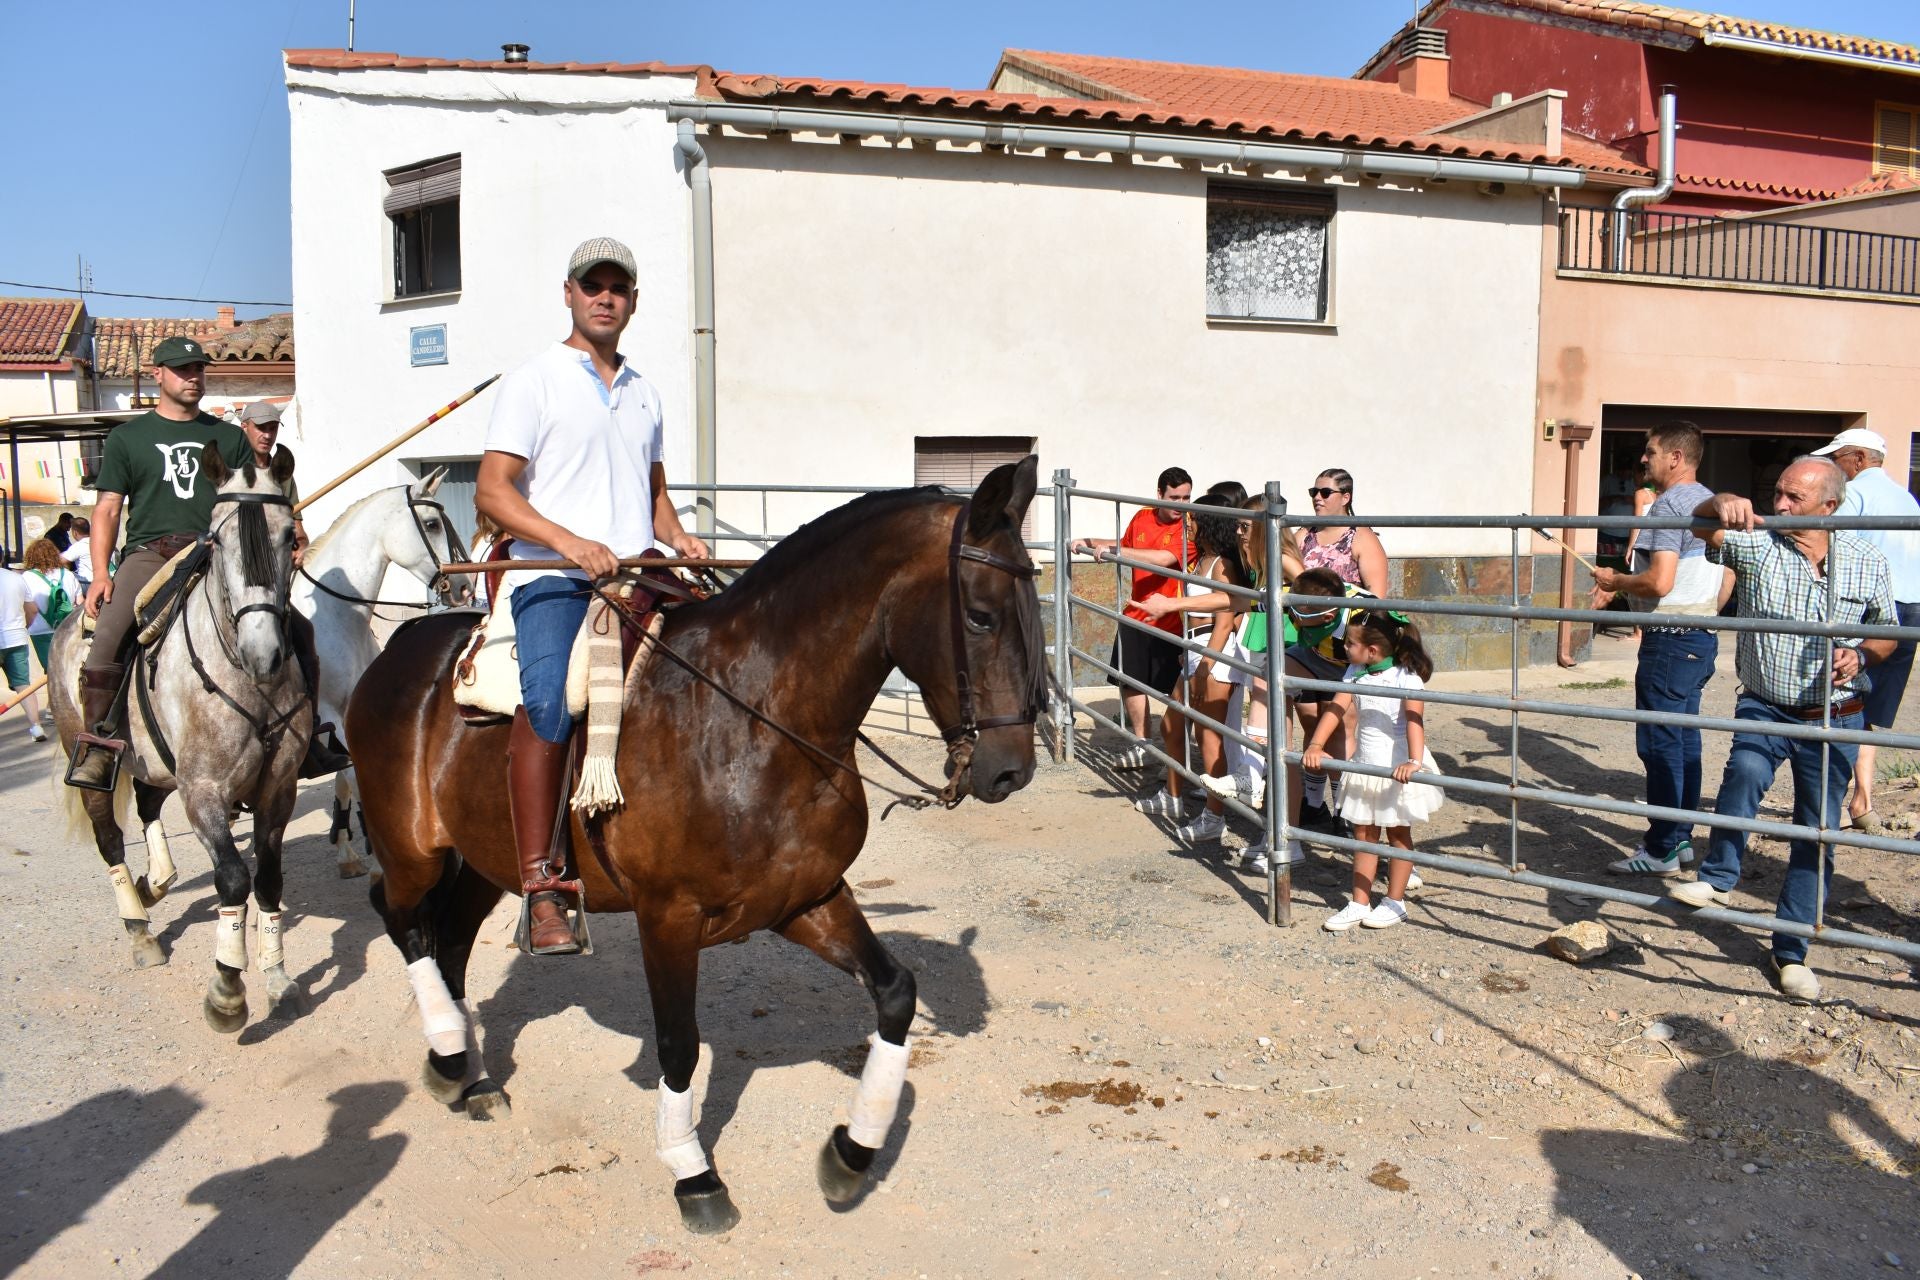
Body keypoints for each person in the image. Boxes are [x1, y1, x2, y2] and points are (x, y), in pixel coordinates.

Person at [475, 236, 710, 957]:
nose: (605, 297)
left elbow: (653, 494)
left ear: (633, 301)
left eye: (619, 288)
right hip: (556, 577)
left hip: (642, 573)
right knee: (550, 697)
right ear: (569, 294)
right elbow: (493, 490)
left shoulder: (645, 390)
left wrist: (680, 539)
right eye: (592, 285)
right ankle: (543, 884)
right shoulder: (535, 380)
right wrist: (570, 543)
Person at [68, 335, 346, 789]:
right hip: (150, 554)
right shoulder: (127, 438)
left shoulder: (229, 438)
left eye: (198, 369)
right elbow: (108, 510)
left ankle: (309, 734)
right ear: (157, 374)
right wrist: (101, 573)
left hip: (213, 551)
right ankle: (99, 745)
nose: (192, 377)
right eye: (181, 369)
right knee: (109, 635)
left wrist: (285, 530)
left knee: (298, 628)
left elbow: (254, 499)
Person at [1670, 457, 1896, 1004]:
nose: (1781, 505)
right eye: (1778, 493)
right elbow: (1698, 527)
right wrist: (1715, 501)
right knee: (1744, 772)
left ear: (1830, 508)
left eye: (1795, 498)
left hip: (1835, 716)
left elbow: (1887, 631)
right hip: (1765, 705)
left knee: (1815, 833)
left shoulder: (1866, 557)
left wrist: (1860, 653)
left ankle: (1790, 953)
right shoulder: (1758, 543)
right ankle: (1719, 878)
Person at [1590, 422, 1720, 876]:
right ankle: (1679, 838)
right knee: (1684, 740)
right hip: (1699, 635)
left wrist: (1615, 580)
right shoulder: (1706, 501)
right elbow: (1727, 574)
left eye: (1650, 452)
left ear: (1676, 458)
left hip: (1669, 639)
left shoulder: (1670, 506)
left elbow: (1659, 581)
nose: (1643, 460)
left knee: (1659, 743)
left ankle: (1662, 846)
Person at [1811, 428, 1920, 833]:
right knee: (1869, 706)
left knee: (1844, 699)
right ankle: (1863, 801)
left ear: (1857, 458)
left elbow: (1832, 545)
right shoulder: (1904, 495)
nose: (1833, 468)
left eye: (1836, 459)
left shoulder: (1854, 493)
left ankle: (1834, 801)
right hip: (1911, 608)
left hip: (1872, 608)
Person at [1305, 611, 1441, 930]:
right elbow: (1336, 708)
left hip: (1396, 763)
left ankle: (1395, 902)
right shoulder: (1356, 672)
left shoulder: (1405, 677)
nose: (1344, 647)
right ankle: (1359, 902)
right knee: (1364, 832)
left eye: (1350, 643)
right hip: (1366, 761)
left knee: (1397, 831)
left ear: (1373, 650)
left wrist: (1414, 761)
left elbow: (1413, 721)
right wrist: (1316, 744)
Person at [1131, 493, 1247, 839]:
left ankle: (1214, 818)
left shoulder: (1223, 564)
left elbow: (1225, 618)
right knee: (1171, 723)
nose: (1188, 523)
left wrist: (1206, 663)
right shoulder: (1203, 559)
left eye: (1193, 518)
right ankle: (1174, 794)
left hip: (1214, 649)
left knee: (1209, 736)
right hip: (1195, 645)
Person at [1069, 467, 1194, 770]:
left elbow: (1164, 558)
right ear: (1159, 494)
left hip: (1174, 619)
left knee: (1181, 692)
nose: (1181, 505)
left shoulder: (1190, 526)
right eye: (1174, 497)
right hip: (1137, 613)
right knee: (1130, 682)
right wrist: (1086, 541)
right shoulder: (1143, 516)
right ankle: (1142, 745)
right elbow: (1129, 545)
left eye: (1187, 497)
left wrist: (1112, 549)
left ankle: (1178, 756)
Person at [238, 402, 308, 566]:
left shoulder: (283, 475)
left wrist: (302, 545)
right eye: (261, 428)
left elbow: (296, 526)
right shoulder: (232, 472)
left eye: (273, 428)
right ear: (244, 427)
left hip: (276, 562)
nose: (268, 436)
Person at [1301, 468, 1388, 597]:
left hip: (1349, 615)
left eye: (1326, 492)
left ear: (1345, 498)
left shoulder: (1362, 539)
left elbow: (1377, 598)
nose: (1317, 498)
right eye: (1314, 492)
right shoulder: (1303, 536)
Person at [0, 558, 46, 742]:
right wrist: (24, 627)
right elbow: (33, 609)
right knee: (23, 684)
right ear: (2, 558)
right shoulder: (17, 578)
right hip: (17, 636)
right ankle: (36, 727)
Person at [20, 537, 79, 677]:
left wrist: (26, 626)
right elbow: (79, 603)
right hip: (68, 629)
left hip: (40, 630)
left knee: (52, 673)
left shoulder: (26, 577)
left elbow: (30, 608)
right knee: (69, 670)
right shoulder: (69, 575)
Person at [60, 517, 93, 592]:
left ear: (75, 532)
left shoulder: (80, 545)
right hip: (104, 581)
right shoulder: (99, 542)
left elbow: (60, 560)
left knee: (65, 573)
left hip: (88, 584)